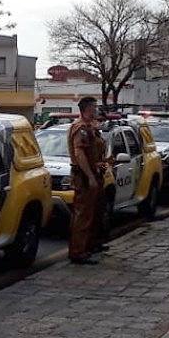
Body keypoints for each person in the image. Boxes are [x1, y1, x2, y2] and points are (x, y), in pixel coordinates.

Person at [66, 96, 108, 265]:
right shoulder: (80, 128)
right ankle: (78, 252)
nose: (96, 110)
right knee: (83, 214)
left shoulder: (92, 127)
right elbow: (79, 154)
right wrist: (90, 176)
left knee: (95, 212)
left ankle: (91, 245)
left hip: (95, 172)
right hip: (84, 176)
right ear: (86, 108)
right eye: (94, 107)